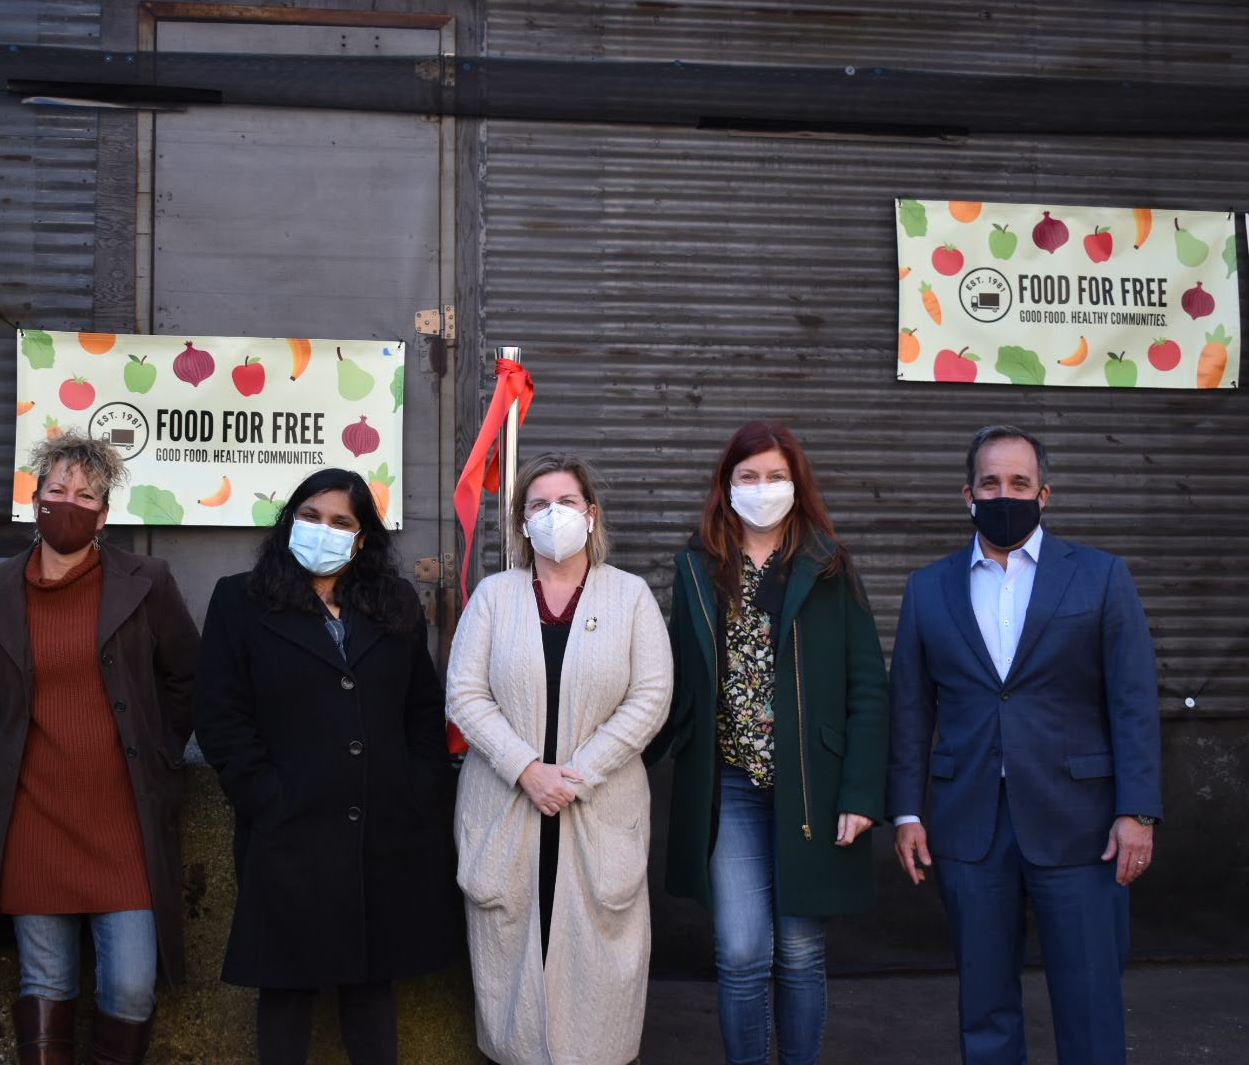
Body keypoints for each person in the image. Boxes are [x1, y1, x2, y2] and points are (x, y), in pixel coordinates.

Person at [888, 423, 1162, 1065]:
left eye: (1019, 482)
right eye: (990, 483)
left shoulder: (1100, 576)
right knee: (984, 1007)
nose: (1003, 494)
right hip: (969, 825)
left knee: (1090, 1002)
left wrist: (1138, 811)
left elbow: (1132, 701)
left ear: (1044, 494)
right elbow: (910, 708)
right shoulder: (928, 588)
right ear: (968, 495)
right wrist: (905, 812)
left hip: (1082, 824)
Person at [0, 433, 198, 1064]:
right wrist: (2, 753)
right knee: (46, 982)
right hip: (34, 817)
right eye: (57, 490)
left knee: (132, 985)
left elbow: (188, 678)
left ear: (104, 515)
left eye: (86, 495)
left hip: (124, 819)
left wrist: (158, 753)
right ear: (35, 501)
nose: (69, 503)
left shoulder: (147, 582)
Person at [646, 420, 889, 1065]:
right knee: (742, 952)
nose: (763, 488)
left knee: (801, 952)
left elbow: (868, 685)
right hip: (729, 785)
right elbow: (675, 679)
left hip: (812, 784)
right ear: (726, 486)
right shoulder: (697, 567)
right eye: (748, 476)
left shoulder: (829, 565)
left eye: (776, 476)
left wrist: (862, 792)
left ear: (796, 484)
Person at [194, 467, 454, 1065]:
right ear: (289, 522)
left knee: (371, 987)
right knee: (286, 988)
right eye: (310, 516)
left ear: (361, 540)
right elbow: (220, 716)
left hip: (383, 829)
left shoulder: (393, 602)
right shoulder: (240, 599)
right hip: (289, 829)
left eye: (341, 522)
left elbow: (422, 707)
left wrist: (418, 786)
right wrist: (267, 799)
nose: (323, 530)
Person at [447, 452, 672, 1065]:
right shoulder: (493, 597)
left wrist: (576, 775)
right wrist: (526, 769)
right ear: (522, 523)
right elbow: (464, 693)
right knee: (510, 970)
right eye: (539, 505)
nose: (554, 515)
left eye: (567, 502)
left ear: (591, 514)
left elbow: (651, 697)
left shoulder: (630, 597)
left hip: (597, 811)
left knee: (597, 976)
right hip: (507, 810)